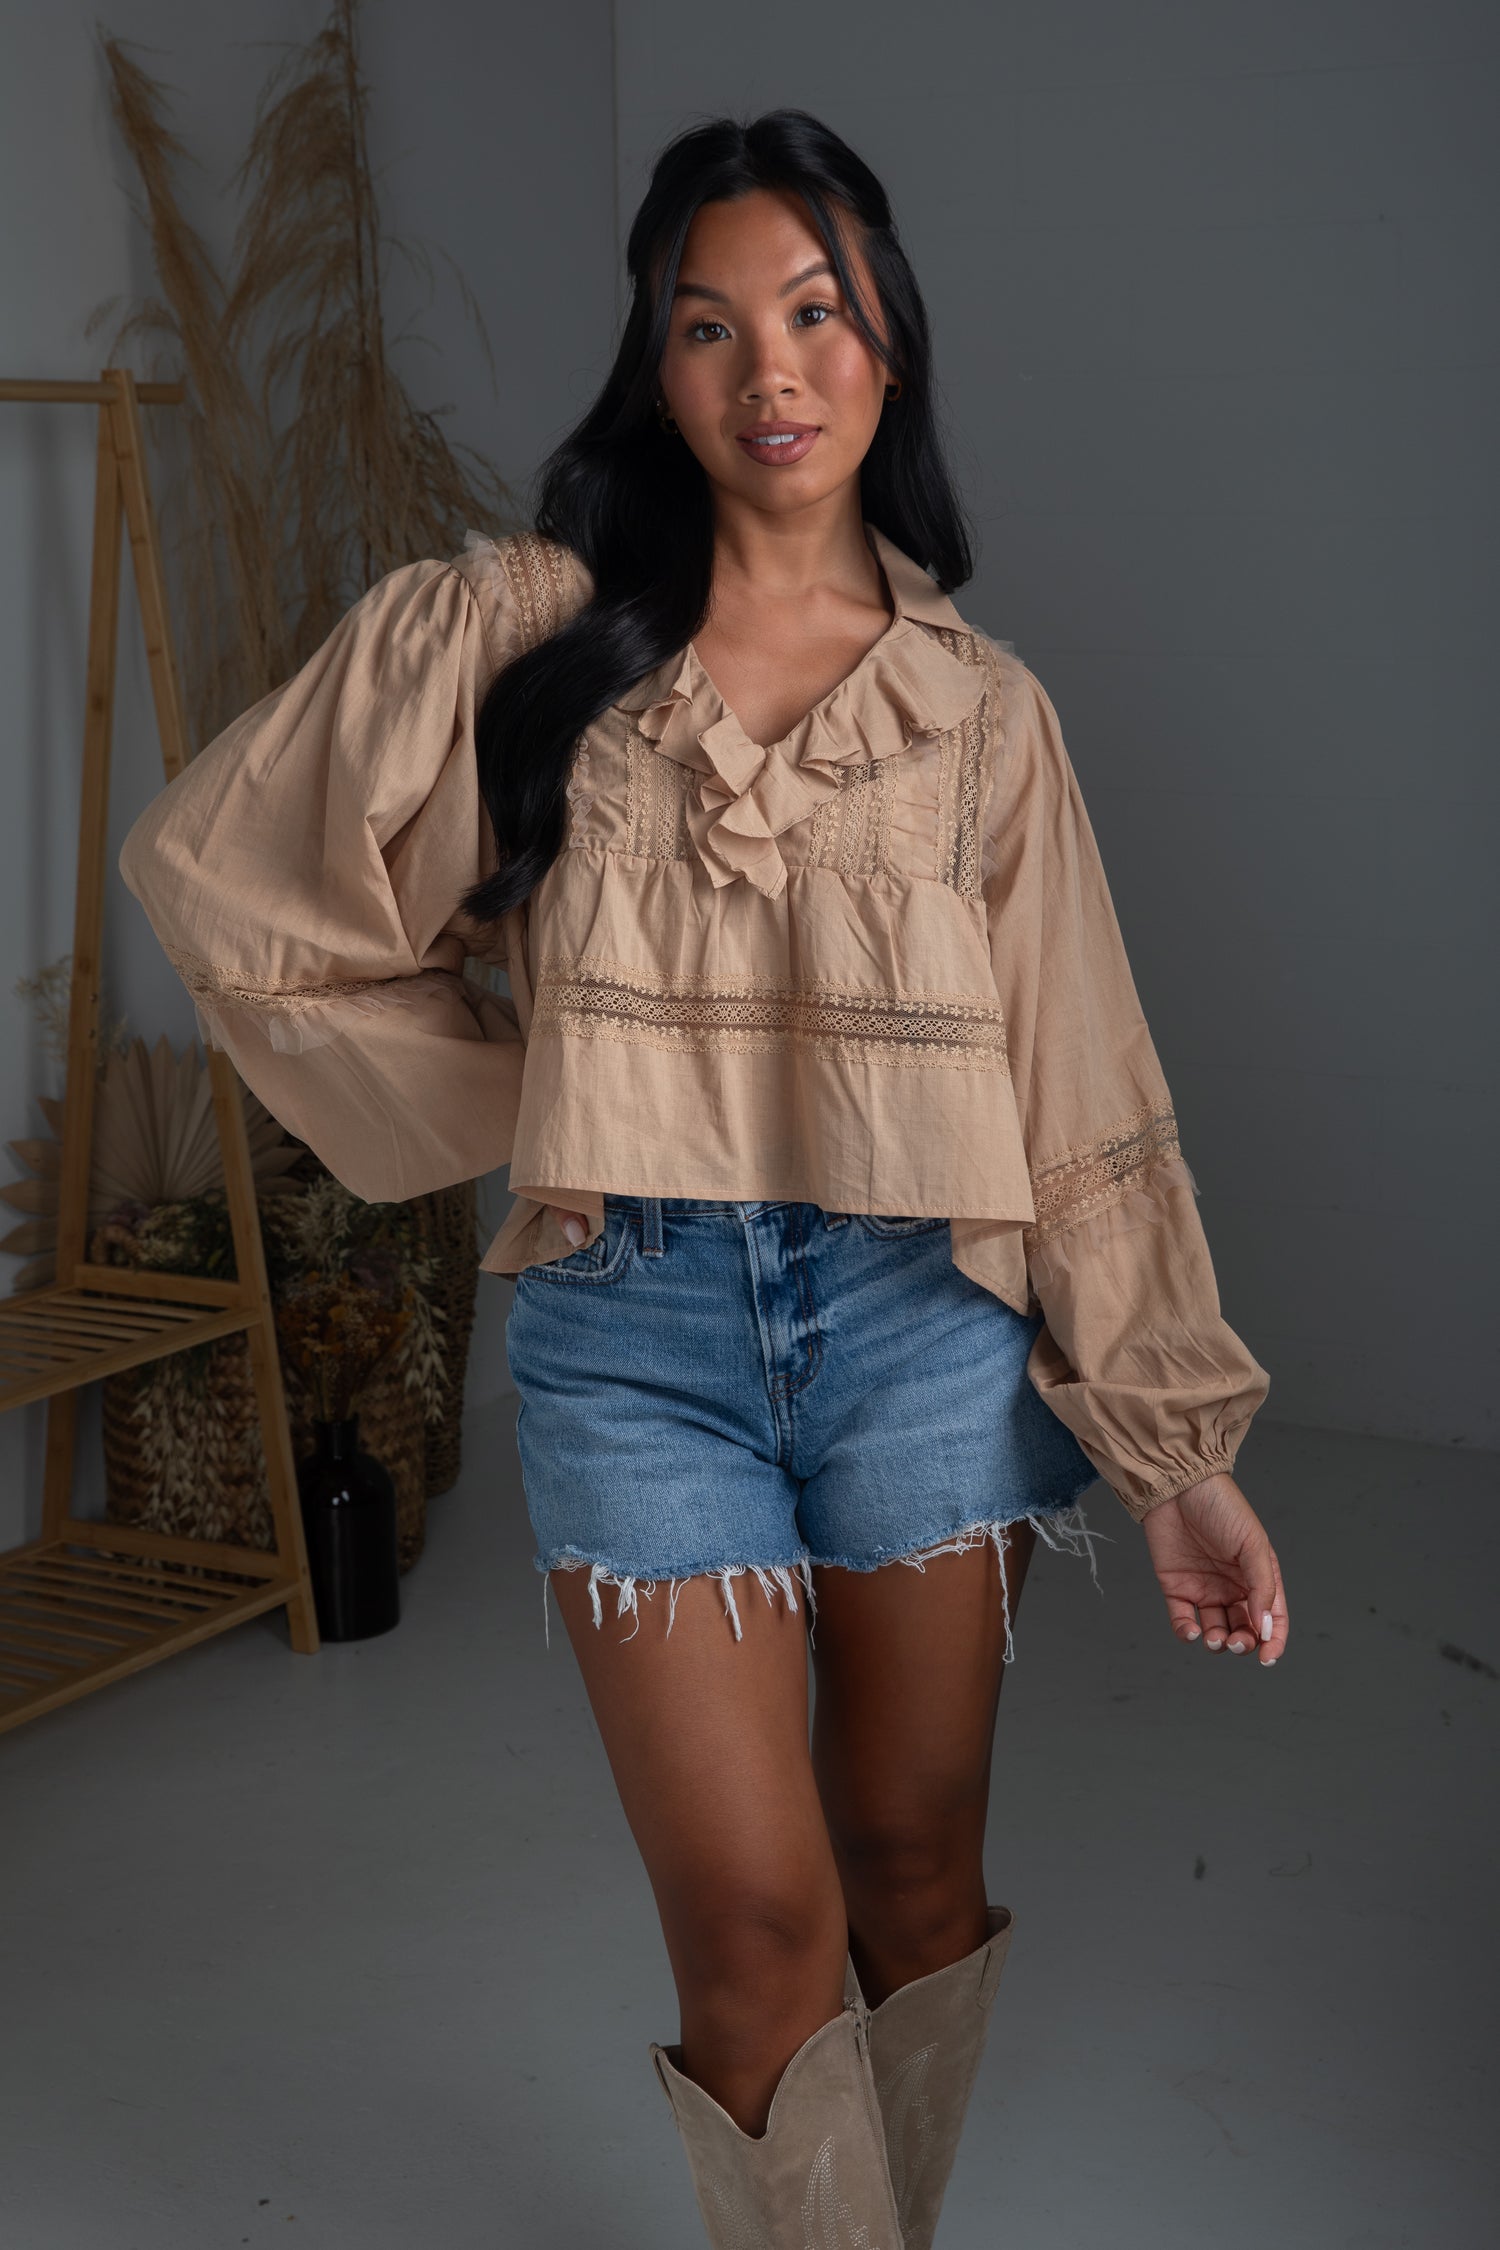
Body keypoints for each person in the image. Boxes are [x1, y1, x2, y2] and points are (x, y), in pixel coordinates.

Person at [121, 107, 1285, 2250]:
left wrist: (1176, 1452)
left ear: (890, 348)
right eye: (709, 322)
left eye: (819, 310)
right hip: (630, 1336)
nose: (774, 365)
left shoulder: (979, 719)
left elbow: (1084, 1092)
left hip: (929, 1336)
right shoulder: (532, 639)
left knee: (917, 1877)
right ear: (655, 370)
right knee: (756, 1927)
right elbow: (231, 886)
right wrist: (532, 1097)